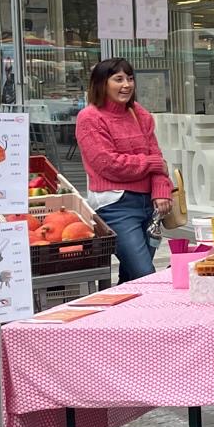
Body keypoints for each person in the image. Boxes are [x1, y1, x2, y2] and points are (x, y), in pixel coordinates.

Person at [75, 58, 172, 283]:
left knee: (131, 278)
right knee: (145, 275)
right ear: (102, 84)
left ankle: (128, 319)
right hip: (116, 206)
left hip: (149, 205)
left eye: (130, 79)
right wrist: (153, 164)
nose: (126, 85)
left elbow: (156, 155)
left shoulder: (139, 113)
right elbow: (109, 165)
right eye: (118, 79)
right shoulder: (90, 118)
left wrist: (160, 190)